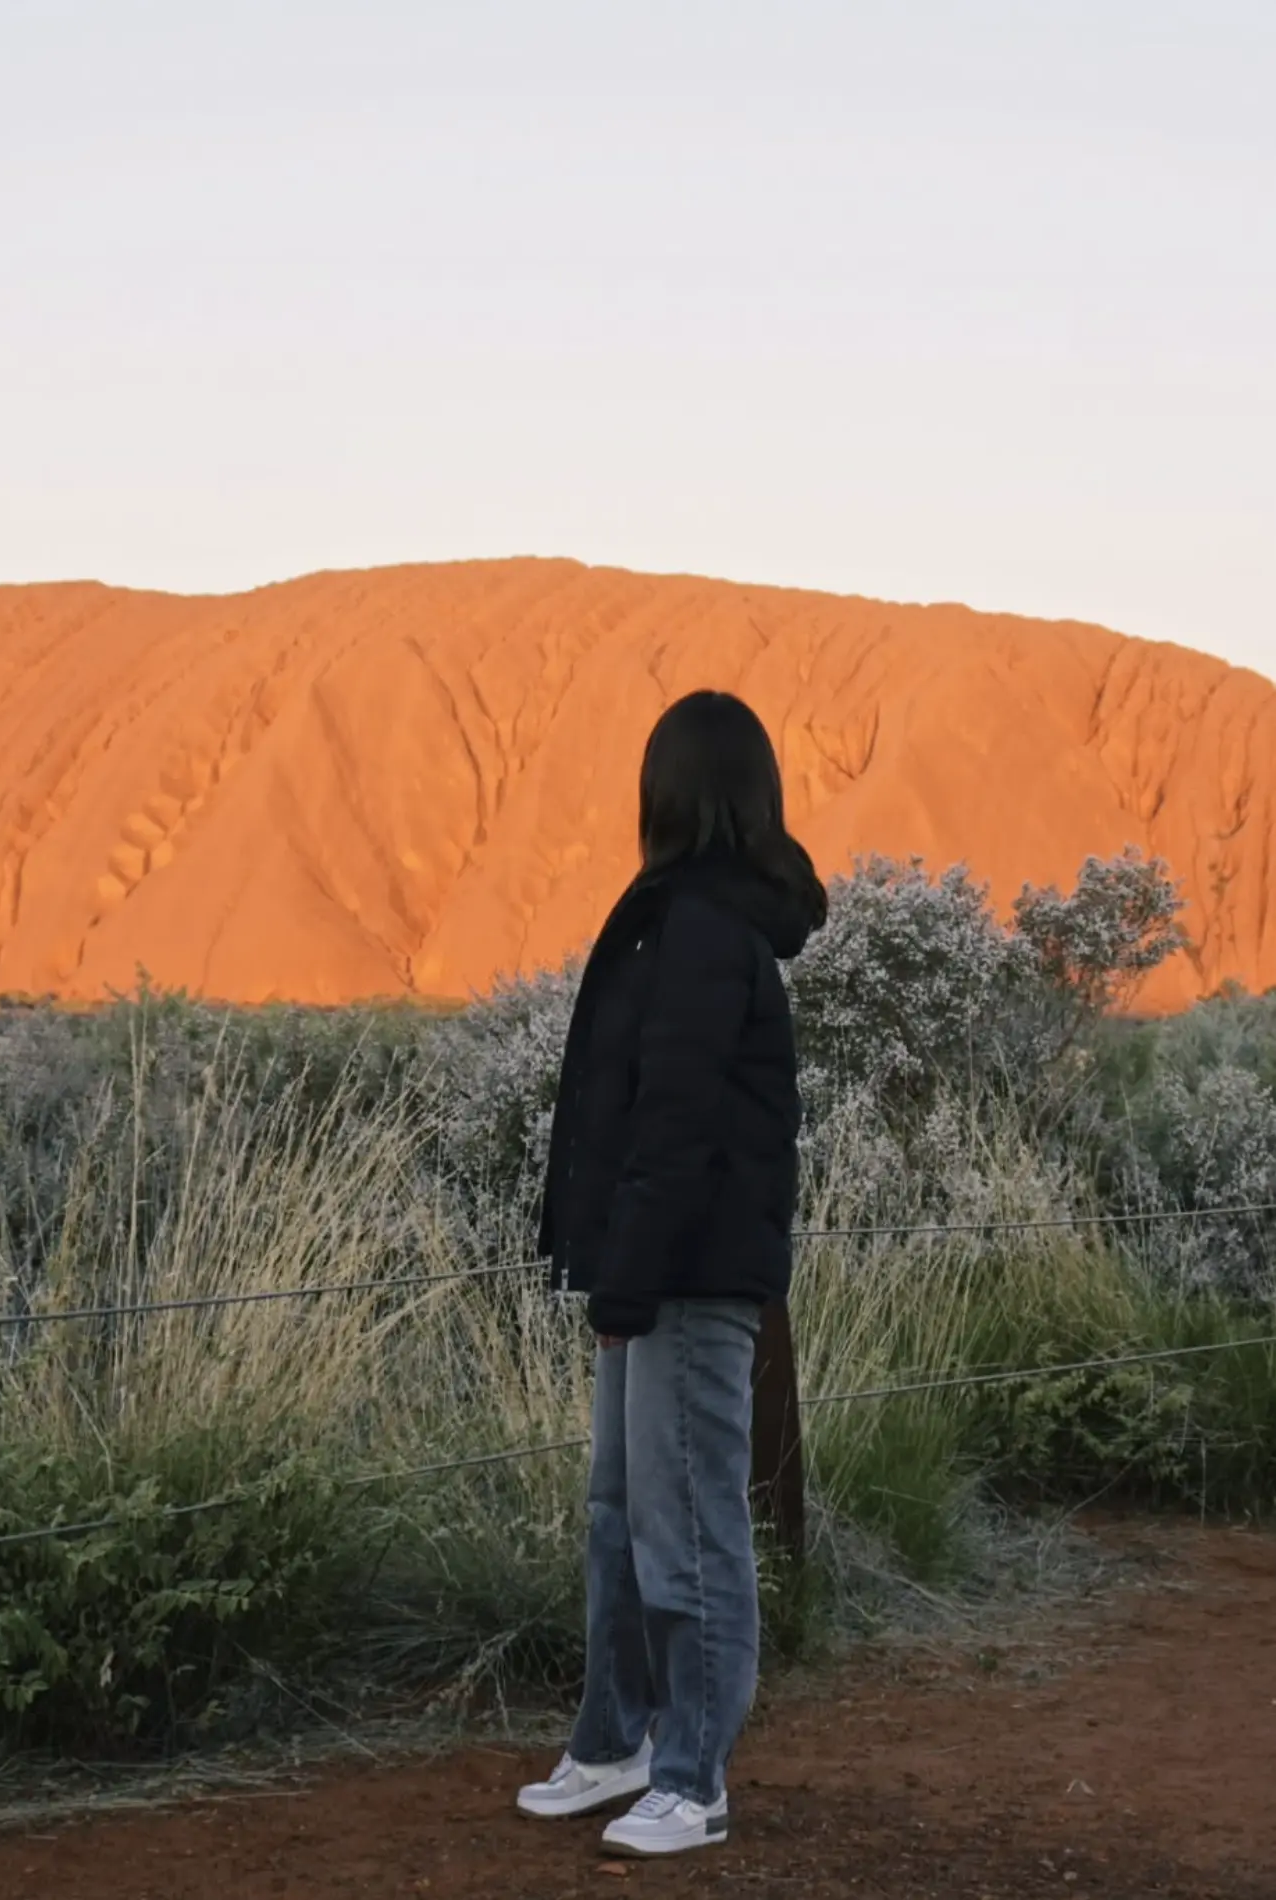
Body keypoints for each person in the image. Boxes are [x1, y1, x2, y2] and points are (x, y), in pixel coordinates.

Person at [517, 689, 826, 1858]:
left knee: (689, 1524)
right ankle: (617, 1739)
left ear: (677, 789)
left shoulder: (703, 927)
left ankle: (693, 1776)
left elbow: (677, 1123)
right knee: (617, 1510)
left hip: (692, 1276)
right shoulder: (681, 915)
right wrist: (605, 1263)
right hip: (652, 1265)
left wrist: (625, 1281)